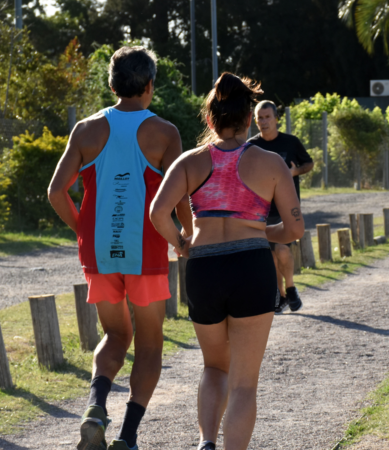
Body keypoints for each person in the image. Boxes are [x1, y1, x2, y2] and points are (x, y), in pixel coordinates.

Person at [149, 73, 303, 450]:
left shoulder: (190, 161)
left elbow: (157, 213)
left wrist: (182, 243)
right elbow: (294, 229)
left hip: (204, 268)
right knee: (245, 383)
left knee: (214, 366)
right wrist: (259, 233)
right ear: (249, 118)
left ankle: (206, 442)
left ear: (210, 119)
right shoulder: (271, 163)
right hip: (251, 268)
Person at [48, 46, 188, 450]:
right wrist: (184, 238)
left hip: (99, 253)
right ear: (149, 85)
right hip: (146, 252)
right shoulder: (165, 132)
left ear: (112, 84)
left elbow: (57, 192)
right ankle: (127, 437)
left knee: (113, 335)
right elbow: (180, 199)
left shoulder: (86, 130)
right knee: (149, 343)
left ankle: (95, 408)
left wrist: (82, 232)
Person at [248, 100, 314, 313]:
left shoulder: (290, 143)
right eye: (260, 118)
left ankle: (291, 287)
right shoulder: (251, 146)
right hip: (262, 209)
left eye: (267, 117)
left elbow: (309, 164)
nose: (264, 121)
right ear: (255, 120)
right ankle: (281, 294)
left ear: (276, 119)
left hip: (286, 207)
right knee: (271, 254)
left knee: (283, 250)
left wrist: (294, 173)